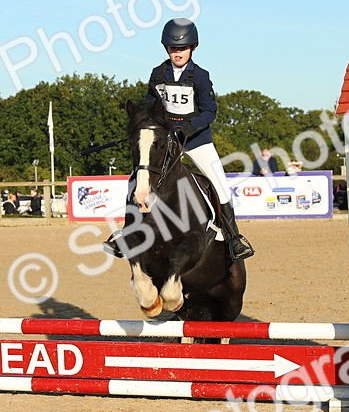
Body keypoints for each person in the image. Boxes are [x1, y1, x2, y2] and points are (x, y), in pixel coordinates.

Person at [104, 18, 254, 261]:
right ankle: (127, 232)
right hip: (166, 142)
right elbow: (149, 108)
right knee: (136, 180)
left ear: (192, 48)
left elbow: (210, 111)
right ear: (167, 49)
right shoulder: (157, 73)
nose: (178, 53)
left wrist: (188, 127)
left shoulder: (201, 76)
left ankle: (233, 238)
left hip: (196, 140)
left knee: (220, 184)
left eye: (182, 48)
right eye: (174, 49)